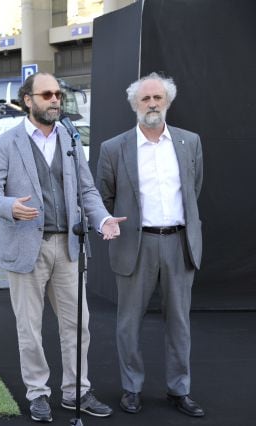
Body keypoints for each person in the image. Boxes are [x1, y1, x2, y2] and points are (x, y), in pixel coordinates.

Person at [0, 72, 126, 423]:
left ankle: (77, 391)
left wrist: (103, 219)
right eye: (47, 94)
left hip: (69, 248)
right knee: (29, 327)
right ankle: (38, 393)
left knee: (79, 325)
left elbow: (87, 191)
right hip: (26, 245)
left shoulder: (70, 139)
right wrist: (9, 206)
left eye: (58, 94)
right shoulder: (7, 143)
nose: (55, 100)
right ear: (28, 100)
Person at [96, 72, 204, 417]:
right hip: (135, 245)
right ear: (134, 105)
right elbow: (103, 197)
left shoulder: (190, 142)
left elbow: (193, 191)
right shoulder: (113, 148)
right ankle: (131, 388)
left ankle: (179, 389)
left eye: (158, 98)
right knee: (128, 322)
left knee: (180, 323)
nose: (153, 104)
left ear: (168, 102)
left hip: (178, 243)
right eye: (146, 99)